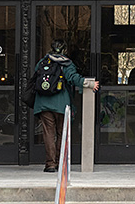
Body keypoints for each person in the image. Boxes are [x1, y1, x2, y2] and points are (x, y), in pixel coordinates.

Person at [33, 39, 99, 172]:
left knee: (48, 134)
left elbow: (35, 77)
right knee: (62, 133)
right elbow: (73, 78)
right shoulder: (67, 63)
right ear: (64, 49)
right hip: (61, 103)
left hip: (43, 102)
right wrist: (90, 84)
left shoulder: (42, 62)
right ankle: (59, 162)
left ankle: (50, 164)